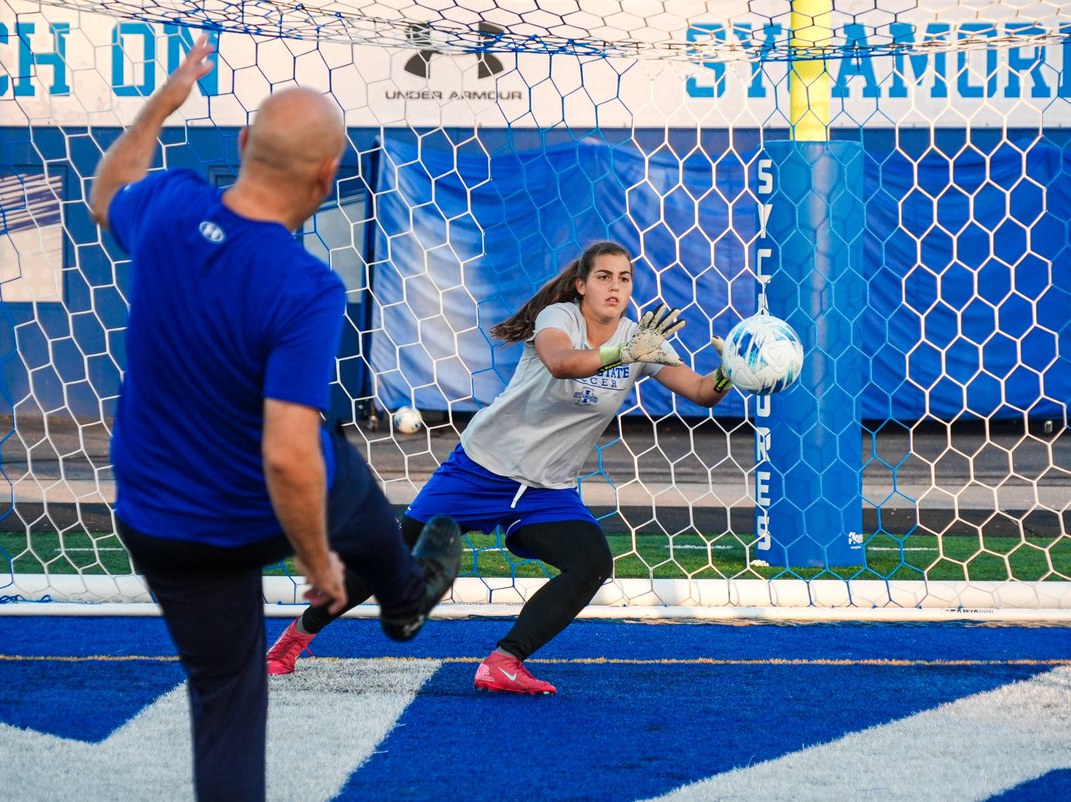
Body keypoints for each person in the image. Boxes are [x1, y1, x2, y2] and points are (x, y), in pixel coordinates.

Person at [88, 34, 461, 800]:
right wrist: (319, 562)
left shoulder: (168, 207)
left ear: (244, 141)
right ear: (328, 178)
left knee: (226, 703)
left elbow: (104, 195)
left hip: (154, 525)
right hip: (243, 519)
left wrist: (159, 108)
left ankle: (400, 593)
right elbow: (287, 456)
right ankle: (404, 597)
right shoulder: (304, 287)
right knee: (334, 461)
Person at [266, 240, 732, 694]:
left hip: (547, 490)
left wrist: (734, 368)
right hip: (481, 468)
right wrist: (622, 354)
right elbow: (562, 363)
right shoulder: (560, 318)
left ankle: (503, 662)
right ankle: (289, 645)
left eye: (624, 278)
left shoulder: (639, 338)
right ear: (580, 286)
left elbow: (701, 391)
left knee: (591, 563)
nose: (615, 286)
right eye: (604, 277)